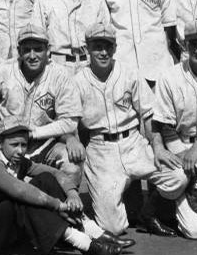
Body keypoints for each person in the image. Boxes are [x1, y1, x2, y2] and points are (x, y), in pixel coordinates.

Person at [96, 0, 181, 225]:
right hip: (124, 69)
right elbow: (104, 30)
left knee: (159, 134)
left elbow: (171, 29)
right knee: (130, 134)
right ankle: (133, 203)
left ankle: (161, 204)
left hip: (156, 66)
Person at [0, 116, 130, 255]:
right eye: (14, 145)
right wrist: (58, 205)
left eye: (24, 145)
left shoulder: (20, 162)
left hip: (6, 230)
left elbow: (56, 173)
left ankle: (91, 229)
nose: (20, 151)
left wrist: (73, 194)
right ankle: (82, 243)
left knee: (45, 179)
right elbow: (20, 191)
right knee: (20, 199)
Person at [74, 22, 177, 236]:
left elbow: (148, 113)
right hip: (101, 148)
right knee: (114, 227)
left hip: (133, 142)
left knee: (177, 176)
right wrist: (72, 140)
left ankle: (147, 214)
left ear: (115, 48)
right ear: (87, 49)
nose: (103, 52)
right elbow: (69, 119)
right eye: (97, 46)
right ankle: (112, 195)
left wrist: (157, 147)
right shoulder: (77, 81)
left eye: (108, 46)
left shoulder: (129, 73)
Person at [0, 24, 84, 187]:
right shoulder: (2, 72)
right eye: (27, 50)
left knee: (71, 163)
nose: (32, 55)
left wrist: (34, 134)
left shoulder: (60, 75)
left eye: (38, 49)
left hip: (45, 144)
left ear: (48, 50)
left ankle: (67, 207)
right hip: (9, 147)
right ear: (19, 51)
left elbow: (69, 121)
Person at [152, 19, 197, 239]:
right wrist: (185, 157)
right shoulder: (170, 76)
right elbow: (165, 126)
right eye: (193, 43)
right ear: (185, 46)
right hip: (180, 148)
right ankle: (170, 204)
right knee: (195, 231)